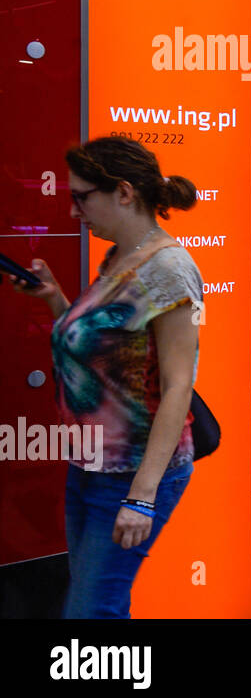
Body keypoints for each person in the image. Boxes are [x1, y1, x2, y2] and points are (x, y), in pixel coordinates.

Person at [7, 137, 203, 618]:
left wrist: (141, 498)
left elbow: (180, 385)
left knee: (90, 612)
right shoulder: (117, 258)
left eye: (81, 196)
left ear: (123, 192)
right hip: (90, 466)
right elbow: (100, 351)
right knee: (99, 604)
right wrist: (56, 300)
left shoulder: (170, 270)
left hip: (130, 475)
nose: (75, 211)